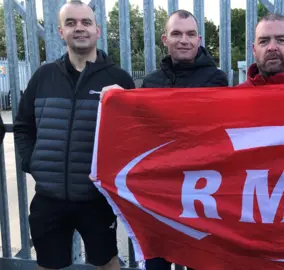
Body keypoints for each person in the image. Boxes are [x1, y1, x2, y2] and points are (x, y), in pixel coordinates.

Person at [97, 9, 228, 270]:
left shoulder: (217, 79)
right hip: (159, 192)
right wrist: (118, 100)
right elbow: (139, 130)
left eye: (191, 34)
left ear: (199, 39)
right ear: (164, 38)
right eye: (176, 33)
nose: (184, 40)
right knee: (156, 261)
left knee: (200, 260)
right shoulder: (152, 81)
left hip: (200, 190)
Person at [13, 1, 135, 270]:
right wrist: (31, 162)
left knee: (107, 261)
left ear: (97, 30)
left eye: (85, 22)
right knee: (49, 264)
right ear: (60, 31)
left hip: (95, 197)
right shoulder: (43, 76)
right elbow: (22, 125)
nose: (79, 28)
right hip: (48, 197)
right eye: (71, 23)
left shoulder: (119, 79)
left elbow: (132, 136)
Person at [236, 13, 284, 87]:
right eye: (263, 41)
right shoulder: (236, 98)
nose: (272, 47)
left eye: (281, 40)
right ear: (254, 50)